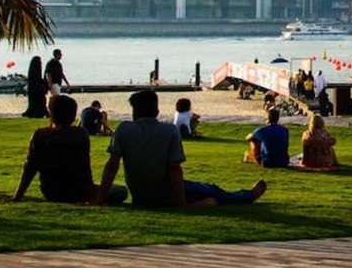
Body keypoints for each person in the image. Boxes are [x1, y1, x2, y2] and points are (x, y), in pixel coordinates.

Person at [97, 89, 266, 208]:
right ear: (156, 110)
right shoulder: (168, 131)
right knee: (212, 190)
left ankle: (207, 201)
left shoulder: (123, 129)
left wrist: (100, 198)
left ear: (134, 111)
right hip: (166, 192)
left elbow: (112, 166)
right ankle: (248, 196)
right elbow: (174, 169)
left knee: (207, 192)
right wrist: (181, 203)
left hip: (140, 194)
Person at [9, 95, 127, 205]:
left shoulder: (40, 135)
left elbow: (30, 167)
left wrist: (17, 196)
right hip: (80, 191)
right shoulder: (80, 134)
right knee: (121, 191)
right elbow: (84, 168)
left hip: (51, 191)